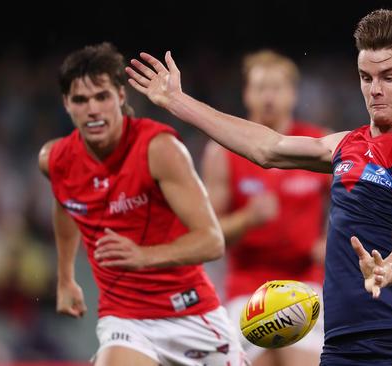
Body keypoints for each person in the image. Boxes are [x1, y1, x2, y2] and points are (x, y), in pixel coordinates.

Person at [127, 9, 392, 365]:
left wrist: (388, 268)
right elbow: (267, 148)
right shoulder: (345, 146)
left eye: (389, 76)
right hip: (344, 345)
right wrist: (177, 101)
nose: (375, 90)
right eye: (366, 77)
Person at [38, 42, 246, 366]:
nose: (93, 109)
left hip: (191, 314)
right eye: (80, 99)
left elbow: (212, 241)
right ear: (67, 104)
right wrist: (65, 277)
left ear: (121, 97)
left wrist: (142, 256)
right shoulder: (55, 160)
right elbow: (66, 205)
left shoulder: (160, 149)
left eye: (102, 97)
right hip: (125, 321)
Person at [202, 50, 330, 366]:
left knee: (299, 359)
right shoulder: (223, 151)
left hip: (306, 282)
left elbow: (353, 207)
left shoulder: (318, 145)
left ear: (293, 93)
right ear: (247, 94)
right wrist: (247, 219)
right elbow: (207, 237)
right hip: (247, 287)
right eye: (260, 88)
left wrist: (333, 241)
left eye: (276, 88)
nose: (268, 97)